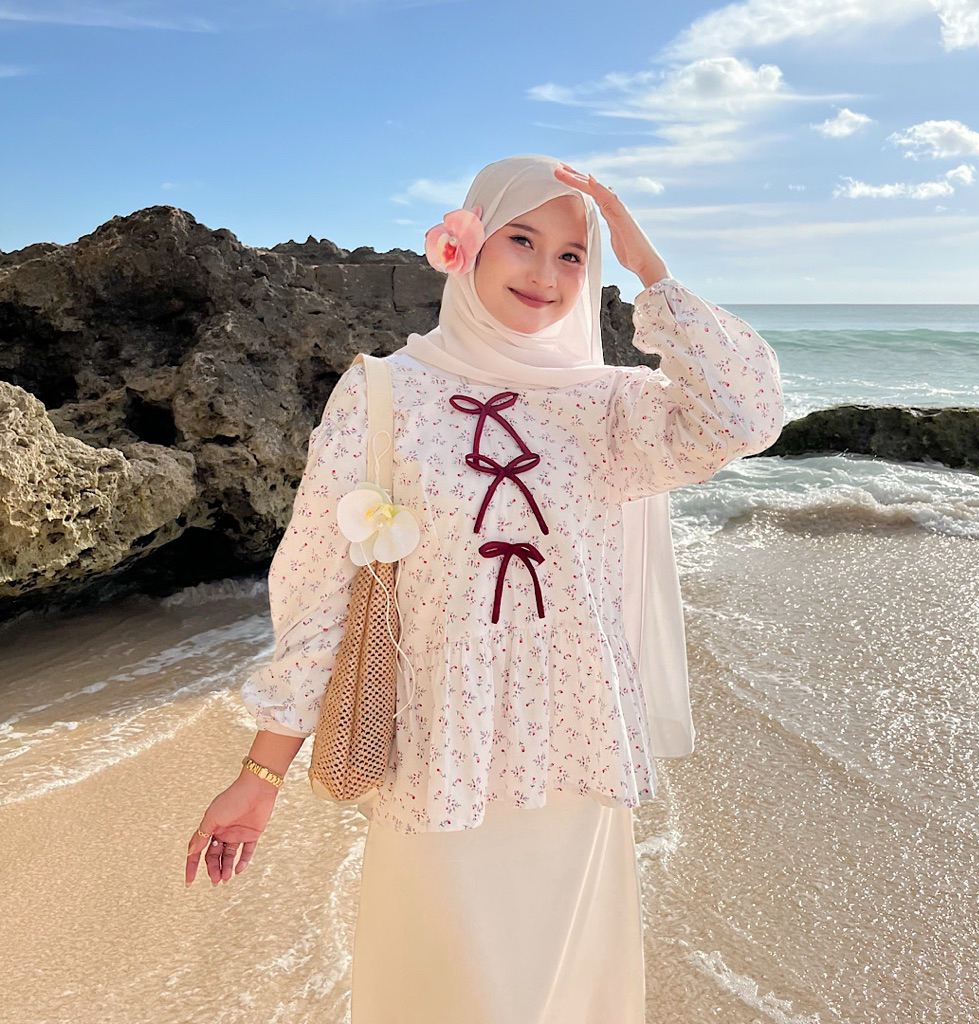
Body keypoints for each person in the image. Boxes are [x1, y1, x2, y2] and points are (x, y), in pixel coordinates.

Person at [185, 154, 784, 1023]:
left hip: (573, 753)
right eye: (521, 240)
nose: (546, 274)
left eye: (573, 255)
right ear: (465, 244)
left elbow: (745, 415)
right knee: (447, 991)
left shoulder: (610, 406)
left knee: (561, 998)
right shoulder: (383, 393)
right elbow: (320, 592)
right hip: (440, 754)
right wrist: (259, 775)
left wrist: (645, 265)